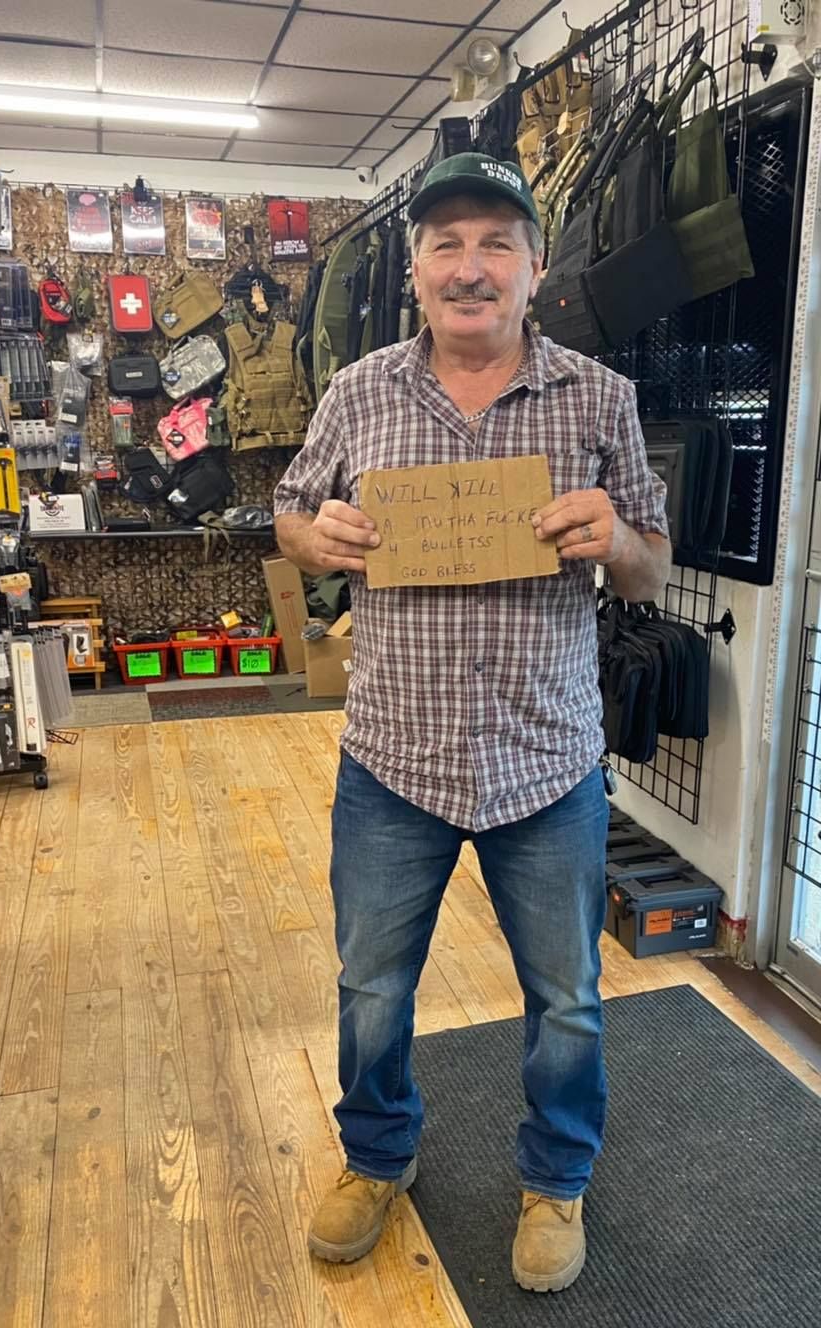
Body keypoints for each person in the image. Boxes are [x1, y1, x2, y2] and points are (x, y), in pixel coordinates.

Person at [274, 152, 670, 1293]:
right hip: (393, 756)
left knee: (566, 998)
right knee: (371, 985)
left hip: (544, 760)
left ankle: (555, 1178)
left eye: (496, 241)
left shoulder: (600, 397)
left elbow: (649, 566)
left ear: (535, 269)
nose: (469, 264)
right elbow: (293, 515)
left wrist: (617, 539)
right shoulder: (358, 392)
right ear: (412, 272)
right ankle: (375, 1153)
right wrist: (318, 538)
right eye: (445, 242)